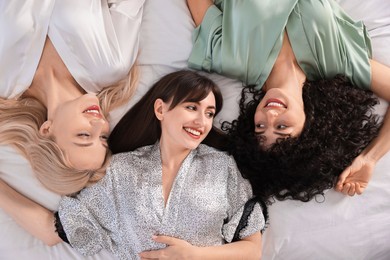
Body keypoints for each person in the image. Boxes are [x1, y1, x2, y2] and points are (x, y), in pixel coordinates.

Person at [0, 70, 265, 259]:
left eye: (209, 113)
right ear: (160, 110)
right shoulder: (120, 171)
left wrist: (194, 256)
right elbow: (52, 231)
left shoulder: (222, 168)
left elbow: (252, 250)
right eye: (192, 107)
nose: (202, 121)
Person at [186, 0, 390, 203]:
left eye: (260, 126)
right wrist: (370, 158)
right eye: (282, 127)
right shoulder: (338, 64)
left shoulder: (229, 59)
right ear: (310, 128)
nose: (270, 115)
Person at [0, 0, 144, 195]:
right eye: (103, 137)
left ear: (47, 129)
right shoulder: (111, 66)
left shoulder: (4, 81)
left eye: (84, 135)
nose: (99, 124)